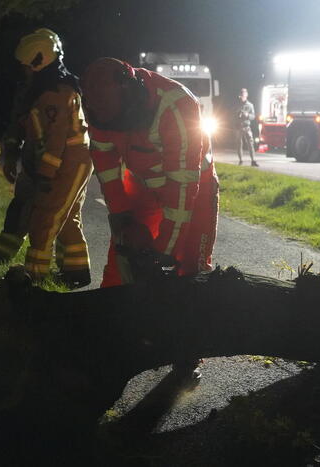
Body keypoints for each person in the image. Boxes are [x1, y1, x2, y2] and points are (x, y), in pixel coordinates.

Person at [81, 57, 220, 380]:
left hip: (192, 190)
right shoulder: (99, 108)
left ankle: (188, 351)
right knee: (122, 259)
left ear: (131, 94)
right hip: (142, 184)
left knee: (189, 267)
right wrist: (121, 216)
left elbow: (182, 192)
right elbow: (106, 166)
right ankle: (111, 332)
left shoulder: (176, 106)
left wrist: (165, 252)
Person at [0, 29, 93, 288]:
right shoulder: (40, 90)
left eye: (27, 66)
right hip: (65, 160)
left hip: (68, 162)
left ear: (39, 61)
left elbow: (56, 140)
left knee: (45, 218)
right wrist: (15, 152)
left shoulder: (56, 94)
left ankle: (33, 277)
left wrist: (46, 174)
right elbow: (25, 126)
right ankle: (76, 272)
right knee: (66, 217)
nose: (24, 71)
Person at [235, 88, 258, 167]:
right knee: (239, 144)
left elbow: (253, 116)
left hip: (247, 126)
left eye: (243, 94)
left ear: (246, 95)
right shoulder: (237, 105)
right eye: (241, 95)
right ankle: (241, 160)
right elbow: (232, 115)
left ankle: (253, 160)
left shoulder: (250, 105)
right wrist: (238, 115)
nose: (242, 96)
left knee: (250, 144)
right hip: (238, 127)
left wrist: (247, 115)